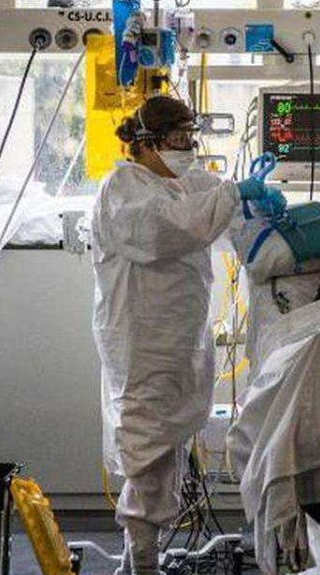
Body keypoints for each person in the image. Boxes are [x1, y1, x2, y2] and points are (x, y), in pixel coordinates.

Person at [90, 95, 284, 575]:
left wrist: (260, 205)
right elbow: (166, 229)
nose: (187, 149)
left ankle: (141, 556)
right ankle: (142, 562)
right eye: (178, 140)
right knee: (148, 448)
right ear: (146, 143)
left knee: (169, 441)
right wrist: (234, 194)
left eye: (190, 138)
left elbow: (219, 207)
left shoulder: (184, 182)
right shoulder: (123, 189)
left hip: (180, 339)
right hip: (141, 342)